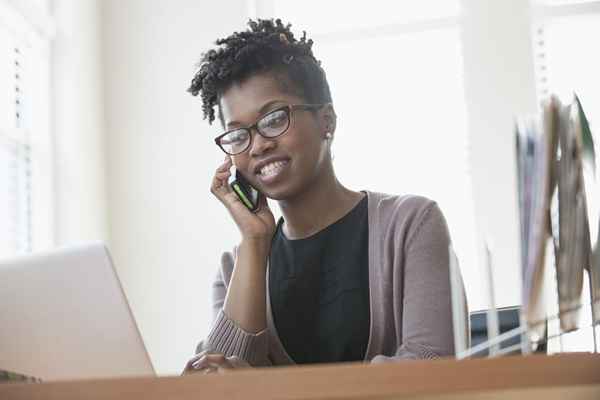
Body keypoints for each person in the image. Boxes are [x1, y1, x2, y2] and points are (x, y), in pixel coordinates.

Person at [182, 18, 466, 375]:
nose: (258, 145)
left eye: (273, 119)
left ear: (326, 121)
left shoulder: (410, 224)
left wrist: (273, 391)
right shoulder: (234, 267)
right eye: (237, 135)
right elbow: (214, 389)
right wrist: (255, 241)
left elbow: (433, 366)